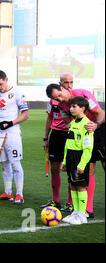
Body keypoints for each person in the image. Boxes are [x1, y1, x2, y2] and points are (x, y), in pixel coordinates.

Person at [45, 83, 105, 218]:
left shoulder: (82, 94)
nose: (60, 100)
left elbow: (100, 113)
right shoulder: (60, 104)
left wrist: (96, 125)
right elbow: (67, 123)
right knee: (87, 169)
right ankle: (86, 210)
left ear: (63, 89)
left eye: (60, 95)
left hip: (99, 128)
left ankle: (84, 210)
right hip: (83, 131)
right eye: (57, 98)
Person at [0, 70, 29, 204]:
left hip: (12, 133)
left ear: (6, 79)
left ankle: (19, 194)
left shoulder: (17, 93)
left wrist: (11, 123)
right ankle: (8, 192)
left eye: (0, 84)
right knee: (4, 164)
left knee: (15, 163)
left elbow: (25, 115)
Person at [40, 73, 74, 210]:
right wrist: (45, 138)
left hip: (70, 135)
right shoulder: (53, 101)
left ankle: (71, 202)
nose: (69, 85)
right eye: (66, 82)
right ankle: (56, 200)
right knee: (55, 168)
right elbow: (49, 118)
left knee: (71, 169)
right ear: (60, 83)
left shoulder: (73, 98)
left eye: (71, 82)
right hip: (56, 135)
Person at [61, 96, 94, 225]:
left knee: (80, 186)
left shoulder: (87, 125)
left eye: (74, 107)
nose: (71, 109)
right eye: (70, 106)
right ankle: (76, 212)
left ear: (82, 108)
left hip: (79, 158)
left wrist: (82, 164)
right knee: (73, 185)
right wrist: (64, 162)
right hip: (70, 158)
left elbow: (88, 148)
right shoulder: (73, 123)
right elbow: (67, 145)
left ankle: (82, 215)